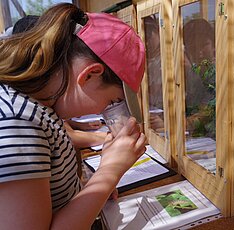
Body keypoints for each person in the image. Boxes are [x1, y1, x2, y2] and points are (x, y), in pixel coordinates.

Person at [0, 3, 146, 229]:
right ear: (90, 75)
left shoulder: (43, 106)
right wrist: (109, 171)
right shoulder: (16, 121)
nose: (104, 110)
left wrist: (94, 192)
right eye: (111, 102)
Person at [11, 14, 108, 150]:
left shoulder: (41, 100)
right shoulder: (18, 115)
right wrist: (110, 147)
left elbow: (59, 127)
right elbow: (68, 136)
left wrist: (78, 125)